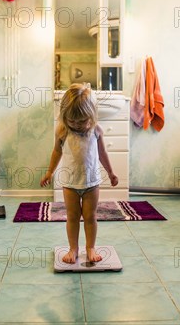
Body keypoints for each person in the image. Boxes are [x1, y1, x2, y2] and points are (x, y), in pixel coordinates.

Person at [40, 84, 119, 263]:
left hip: (91, 182)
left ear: (91, 115)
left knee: (90, 217)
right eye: (72, 121)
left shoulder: (96, 130)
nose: (76, 125)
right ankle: (73, 248)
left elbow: (103, 153)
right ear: (64, 117)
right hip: (70, 183)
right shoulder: (62, 130)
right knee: (73, 217)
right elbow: (56, 152)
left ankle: (90, 247)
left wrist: (111, 173)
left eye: (82, 121)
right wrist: (49, 172)